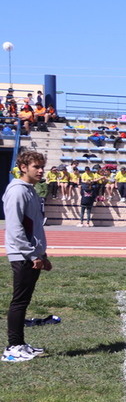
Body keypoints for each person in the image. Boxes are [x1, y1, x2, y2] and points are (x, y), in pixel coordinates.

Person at [3, 151, 52, 362]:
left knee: (24, 301)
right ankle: (12, 347)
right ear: (23, 167)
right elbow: (15, 228)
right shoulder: (17, 191)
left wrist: (43, 254)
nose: (41, 171)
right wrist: (33, 255)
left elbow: (33, 227)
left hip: (31, 254)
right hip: (23, 255)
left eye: (42, 167)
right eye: (36, 167)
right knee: (19, 302)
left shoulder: (30, 190)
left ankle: (20, 344)